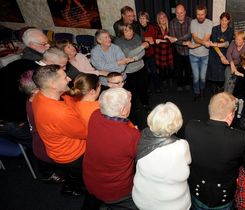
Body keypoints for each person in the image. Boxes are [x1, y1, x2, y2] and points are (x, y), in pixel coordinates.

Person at [32, 64, 87, 196]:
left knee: (72, 175)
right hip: (73, 155)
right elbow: (85, 133)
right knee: (84, 178)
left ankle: (70, 185)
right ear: (53, 85)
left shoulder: (39, 96)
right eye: (64, 77)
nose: (69, 79)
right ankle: (76, 189)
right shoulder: (59, 112)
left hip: (56, 151)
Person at [185, 92, 245, 209]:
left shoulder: (191, 127)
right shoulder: (239, 137)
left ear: (209, 110)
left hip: (197, 191)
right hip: (223, 197)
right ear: (230, 115)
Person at [83, 88, 140, 208]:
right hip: (116, 192)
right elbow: (141, 158)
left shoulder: (95, 115)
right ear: (124, 111)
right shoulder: (131, 136)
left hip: (90, 181)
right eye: (130, 102)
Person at [0, 48, 68, 147]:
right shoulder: (40, 77)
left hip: (5, 115)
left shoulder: (22, 61)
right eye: (63, 66)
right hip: (14, 121)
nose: (65, 68)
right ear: (51, 64)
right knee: (45, 145)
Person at [132, 102, 191, 210]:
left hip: (142, 199)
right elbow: (188, 161)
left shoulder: (142, 135)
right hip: (173, 204)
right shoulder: (181, 145)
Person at [114, 24, 150, 113]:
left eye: (131, 30)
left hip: (141, 67)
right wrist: (142, 46)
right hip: (129, 71)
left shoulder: (136, 36)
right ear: (122, 32)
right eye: (126, 31)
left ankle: (145, 104)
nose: (130, 32)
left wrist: (134, 58)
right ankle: (132, 106)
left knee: (143, 88)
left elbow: (143, 52)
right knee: (131, 91)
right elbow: (128, 54)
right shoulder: (118, 41)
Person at [187, 5, 213, 100]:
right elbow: (195, 38)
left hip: (205, 55)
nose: (200, 16)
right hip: (193, 55)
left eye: (202, 14)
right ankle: (197, 92)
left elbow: (206, 38)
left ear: (205, 14)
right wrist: (202, 43)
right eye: (198, 14)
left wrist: (194, 45)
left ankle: (202, 90)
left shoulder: (210, 23)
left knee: (202, 77)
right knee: (196, 77)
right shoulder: (193, 22)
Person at [165, 4, 192, 91]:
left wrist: (177, 39)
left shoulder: (191, 21)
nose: (179, 15)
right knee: (178, 69)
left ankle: (187, 82)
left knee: (188, 69)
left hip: (189, 50)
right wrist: (183, 42)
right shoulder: (172, 22)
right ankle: (180, 83)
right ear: (175, 13)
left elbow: (190, 35)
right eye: (177, 13)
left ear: (185, 12)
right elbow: (172, 39)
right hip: (177, 50)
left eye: (181, 13)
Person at [206, 12, 235, 94]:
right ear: (220, 20)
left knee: (222, 73)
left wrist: (217, 44)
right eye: (222, 20)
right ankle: (214, 90)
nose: (223, 22)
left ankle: (220, 89)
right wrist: (221, 55)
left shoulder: (230, 30)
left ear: (228, 21)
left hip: (226, 53)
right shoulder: (215, 29)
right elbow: (214, 44)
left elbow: (227, 43)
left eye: (225, 20)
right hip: (215, 53)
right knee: (213, 72)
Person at [138, 11, 161, 93]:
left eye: (143, 18)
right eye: (140, 18)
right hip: (141, 55)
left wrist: (153, 40)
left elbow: (156, 39)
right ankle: (146, 88)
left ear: (147, 19)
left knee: (154, 71)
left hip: (151, 53)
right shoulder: (136, 28)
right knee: (145, 73)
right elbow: (135, 39)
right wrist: (145, 39)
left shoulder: (152, 27)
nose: (141, 20)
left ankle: (157, 87)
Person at [155, 11, 174, 88]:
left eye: (164, 17)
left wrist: (161, 40)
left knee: (170, 68)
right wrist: (159, 40)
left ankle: (170, 79)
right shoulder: (156, 28)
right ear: (158, 20)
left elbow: (173, 40)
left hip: (168, 52)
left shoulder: (170, 28)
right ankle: (164, 80)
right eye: (160, 18)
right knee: (162, 69)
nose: (162, 19)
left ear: (166, 18)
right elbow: (154, 40)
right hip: (160, 53)